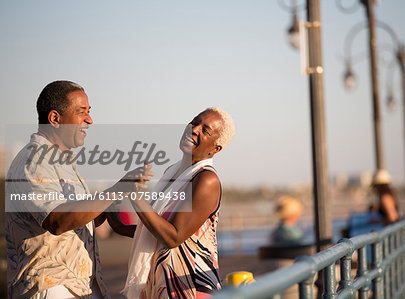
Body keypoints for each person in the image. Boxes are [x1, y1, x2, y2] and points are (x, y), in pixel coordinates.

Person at [5, 81, 152, 299]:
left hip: (76, 286)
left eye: (89, 112)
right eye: (81, 112)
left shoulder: (61, 160)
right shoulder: (35, 159)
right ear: (55, 119)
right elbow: (56, 220)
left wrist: (105, 207)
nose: (89, 120)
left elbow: (75, 219)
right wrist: (116, 190)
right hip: (51, 287)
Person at [123, 107, 235, 299]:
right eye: (194, 121)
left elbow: (173, 236)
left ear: (216, 148)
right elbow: (152, 229)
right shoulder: (172, 172)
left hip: (188, 287)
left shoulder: (206, 179)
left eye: (205, 130)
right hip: (159, 286)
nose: (194, 129)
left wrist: (135, 197)